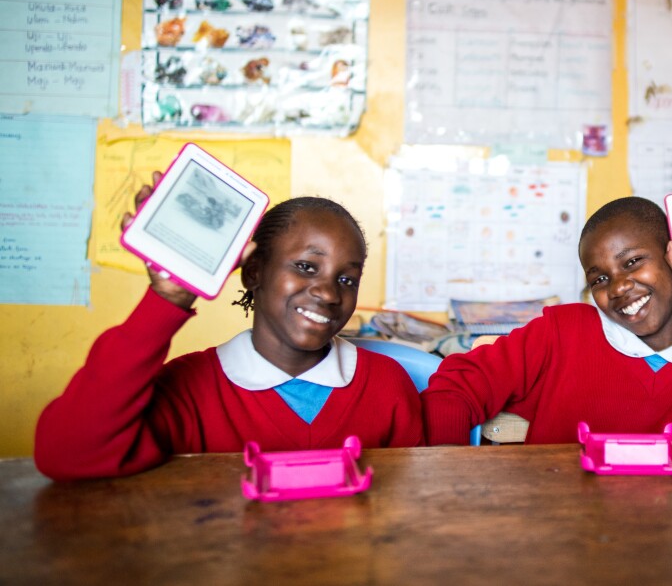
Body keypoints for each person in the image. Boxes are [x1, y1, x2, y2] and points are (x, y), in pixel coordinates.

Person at [35, 176, 423, 481]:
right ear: (253, 273)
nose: (327, 292)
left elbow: (410, 504)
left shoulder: (386, 384)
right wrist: (167, 300)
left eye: (347, 279)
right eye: (306, 266)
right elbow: (67, 453)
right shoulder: (190, 389)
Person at [421, 196, 672, 445]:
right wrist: (453, 477)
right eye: (599, 279)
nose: (619, 286)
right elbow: (452, 391)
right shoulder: (562, 334)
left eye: (633, 262)